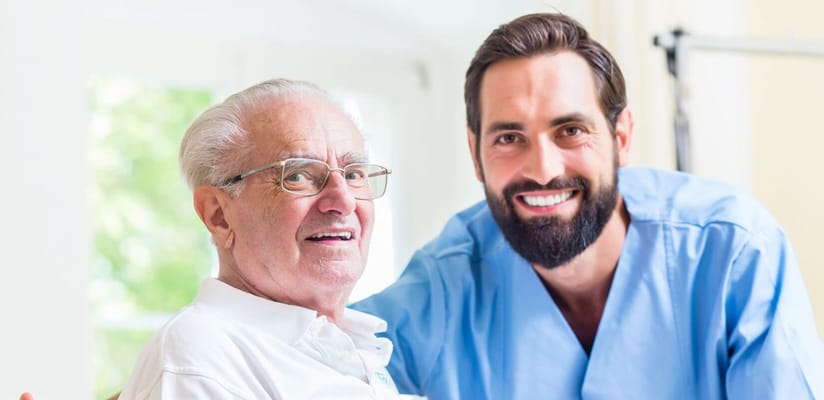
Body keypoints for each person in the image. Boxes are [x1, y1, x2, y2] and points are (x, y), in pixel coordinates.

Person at [351, 12, 824, 399]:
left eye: (570, 131)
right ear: (476, 154)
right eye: (509, 137)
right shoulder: (445, 284)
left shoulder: (733, 251)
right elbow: (315, 355)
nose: (542, 168)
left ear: (621, 137)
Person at [111, 79, 398, 398]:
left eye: (353, 174)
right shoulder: (203, 359)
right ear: (218, 215)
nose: (343, 200)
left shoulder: (347, 345)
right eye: (298, 175)